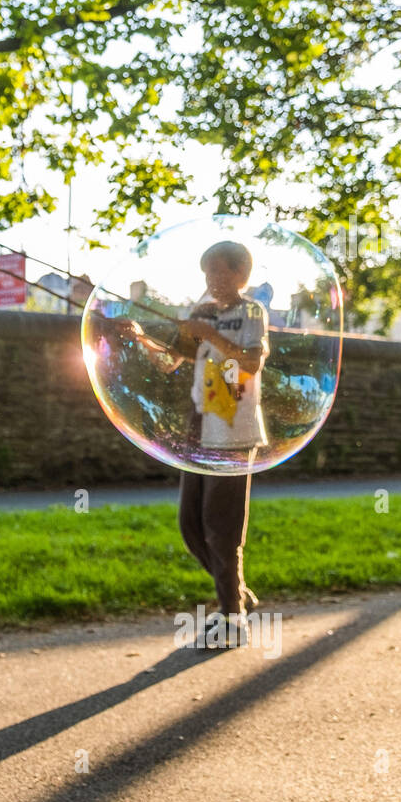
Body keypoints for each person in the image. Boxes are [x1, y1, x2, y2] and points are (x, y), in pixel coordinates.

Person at [117, 240, 270, 647]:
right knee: (191, 525)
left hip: (233, 429)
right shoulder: (202, 312)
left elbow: (251, 363)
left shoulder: (251, 312)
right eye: (207, 273)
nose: (212, 280)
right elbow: (170, 361)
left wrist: (211, 336)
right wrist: (140, 337)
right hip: (198, 426)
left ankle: (232, 618)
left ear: (241, 275)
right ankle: (236, 596)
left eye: (220, 272)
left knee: (221, 526)